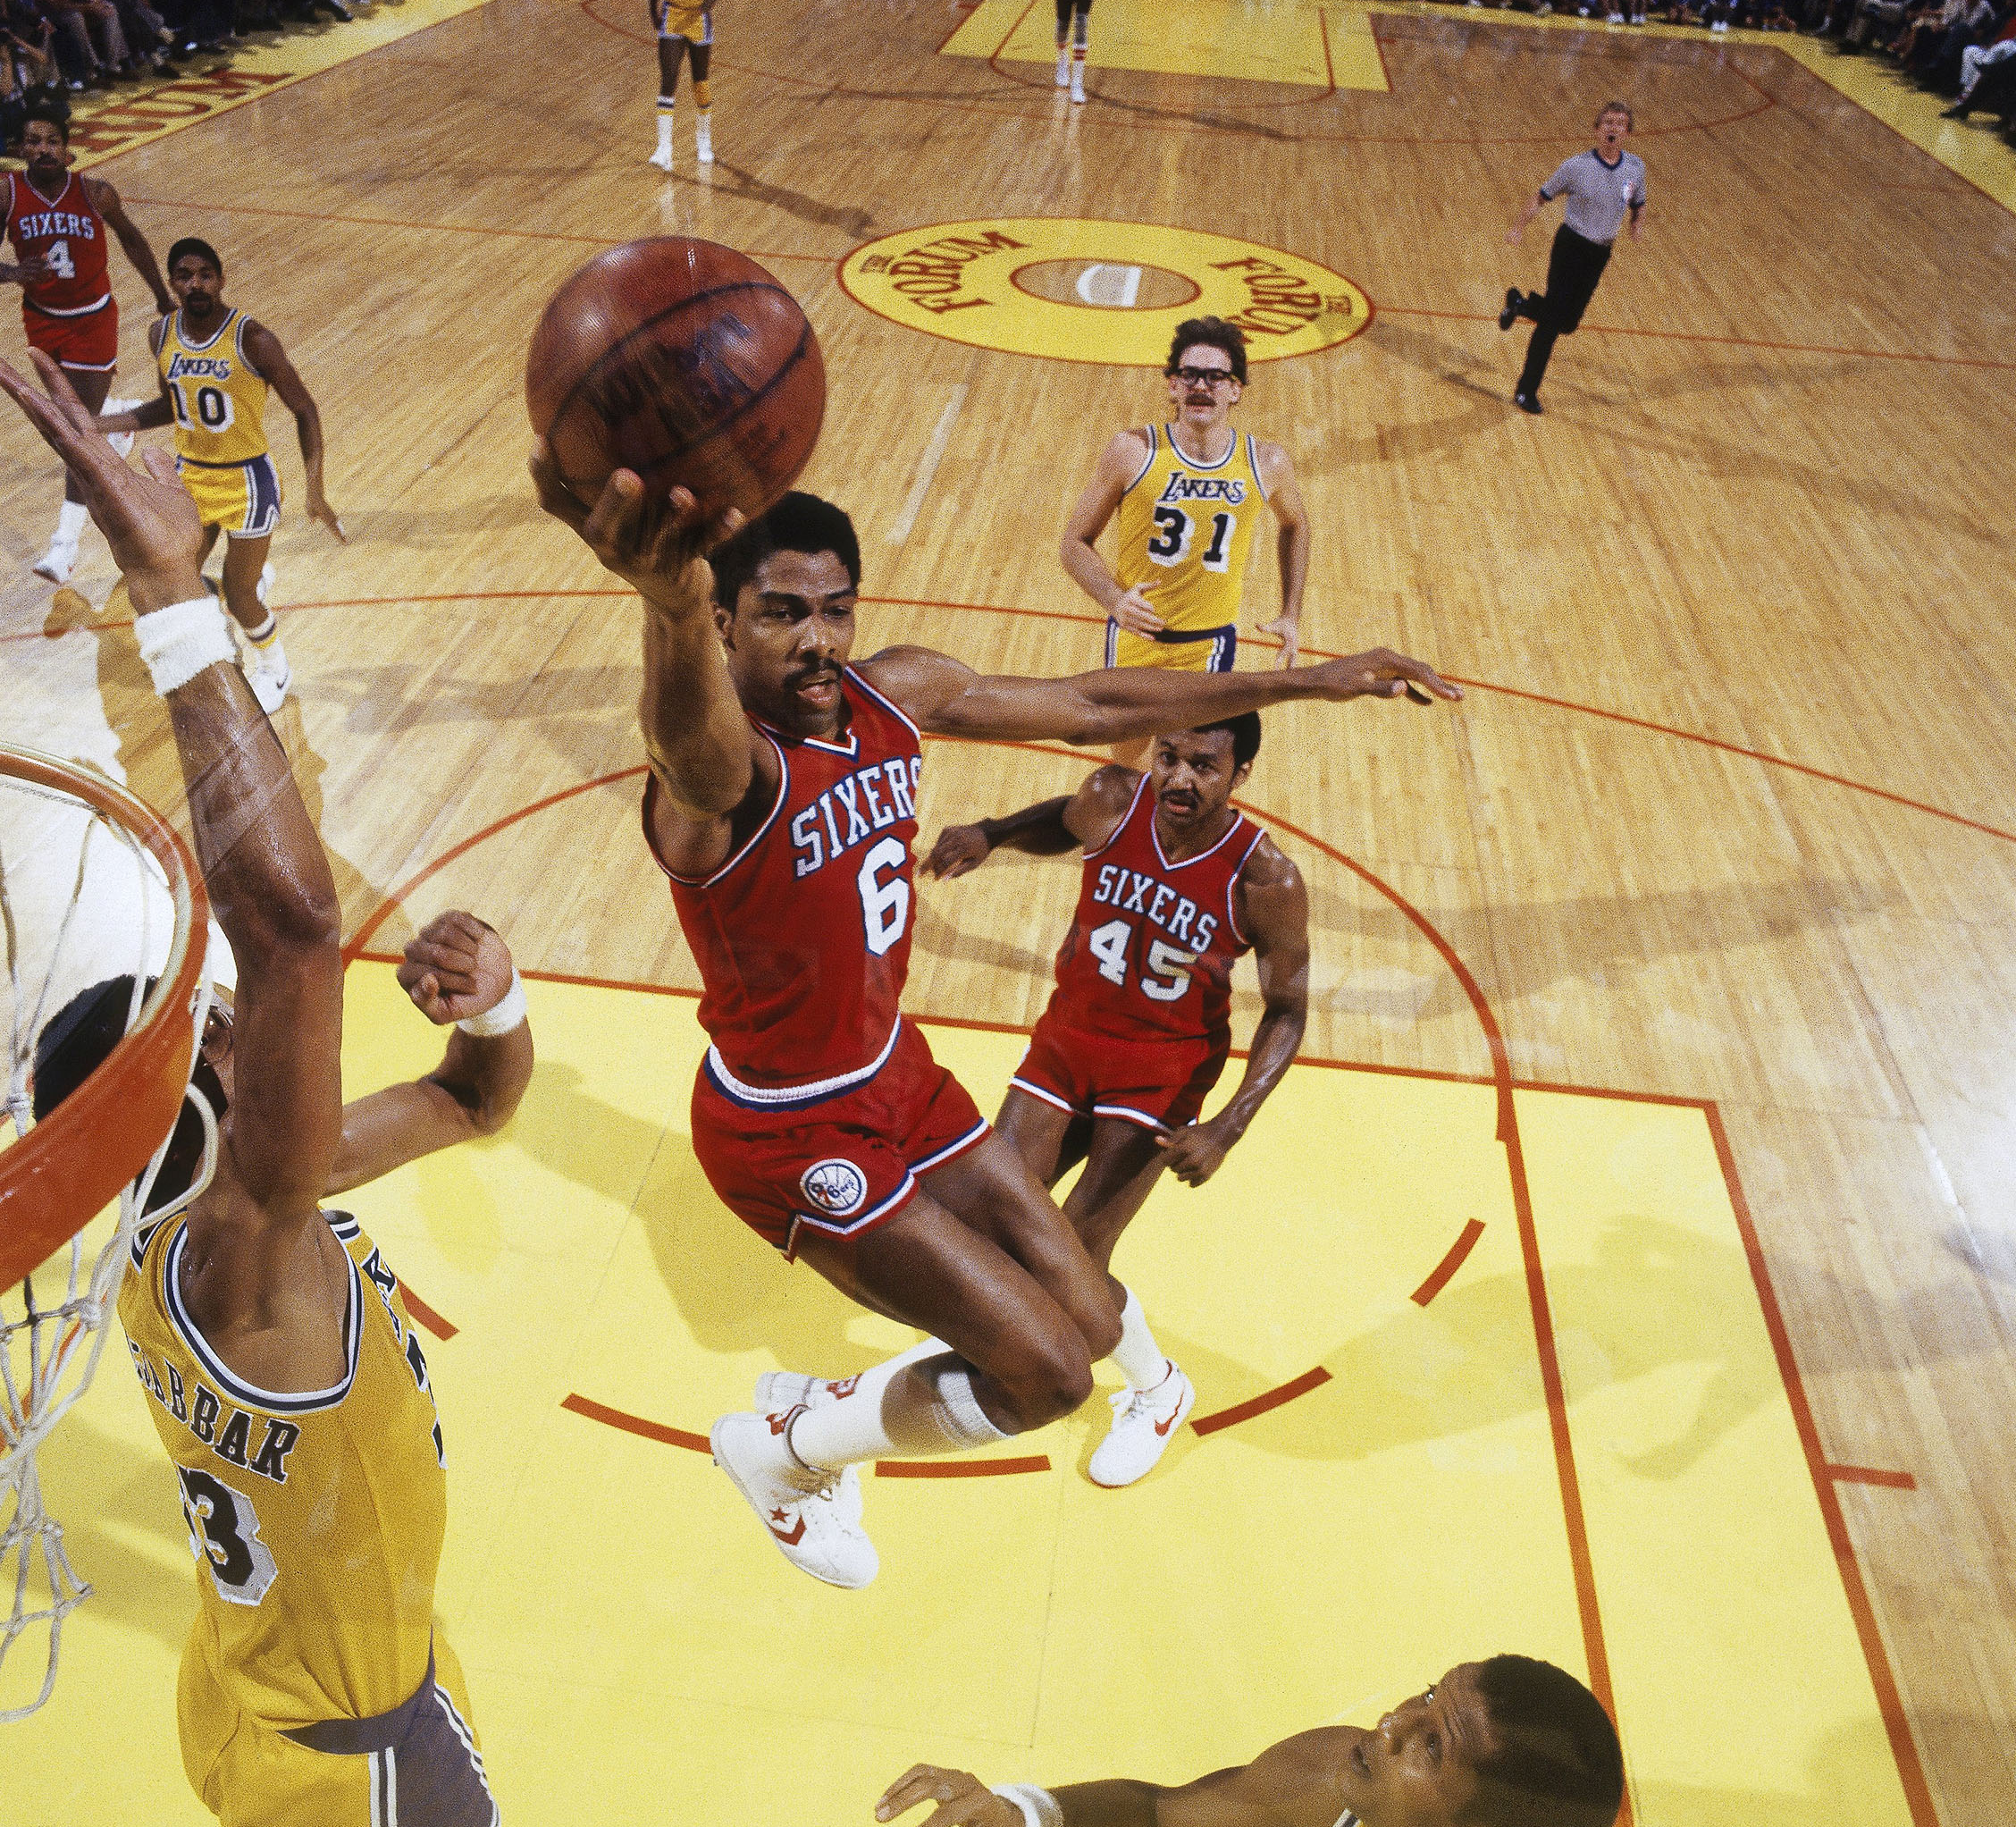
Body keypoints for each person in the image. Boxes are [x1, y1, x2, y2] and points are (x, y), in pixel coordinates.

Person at [529, 460, 1455, 1592]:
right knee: (1047, 1378)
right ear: (724, 623)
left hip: (895, 1073)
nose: (816, 640)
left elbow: (1096, 705)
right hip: (788, 1131)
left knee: (1088, 1313)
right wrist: (665, 607)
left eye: (834, 610)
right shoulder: (720, 784)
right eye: (779, 614)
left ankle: (832, 1418)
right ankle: (785, 1456)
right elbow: (691, 748)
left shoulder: (896, 693)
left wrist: (1315, 684)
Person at [6, 347, 532, 1827]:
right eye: (216, 1029)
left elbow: (466, 1102)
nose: (239, 1020)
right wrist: (178, 597)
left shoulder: (225, 1233)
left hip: (252, 1697)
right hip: (352, 1743)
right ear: (202, 1089)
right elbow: (296, 930)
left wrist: (496, 1007)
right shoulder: (255, 1243)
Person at [926, 711, 1308, 1486]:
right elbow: (1060, 822)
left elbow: (1288, 1008)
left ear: (1240, 777)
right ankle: (995, 1356)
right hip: (1068, 1039)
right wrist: (994, 832)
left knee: (1077, 1262)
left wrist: (1229, 1125)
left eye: (1204, 765)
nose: (1179, 778)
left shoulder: (1265, 876)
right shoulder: (1110, 796)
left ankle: (1158, 1390)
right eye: (1169, 757)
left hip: (1160, 1071)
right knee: (991, 1220)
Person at [876, 1656, 1623, 1827]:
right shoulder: (1332, 1780)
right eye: (1424, 1696)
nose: (1392, 1720)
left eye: (1431, 1744)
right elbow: (1155, 1821)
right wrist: (1021, 1816)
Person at [101, 236, 343, 714]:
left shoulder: (253, 339)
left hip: (245, 481)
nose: (195, 284)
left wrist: (316, 488)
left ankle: (275, 668)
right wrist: (106, 423)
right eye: (184, 276)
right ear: (171, 283)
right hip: (191, 475)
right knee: (180, 579)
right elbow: (174, 405)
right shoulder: (161, 334)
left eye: (205, 275)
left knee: (238, 595)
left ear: (221, 279)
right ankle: (248, 583)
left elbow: (305, 409)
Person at [1060, 314, 1311, 765]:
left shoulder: (1266, 462)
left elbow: (1296, 525)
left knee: (1188, 772)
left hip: (1209, 647)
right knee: (1124, 771)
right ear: (1173, 385)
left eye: (1216, 376)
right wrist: (1114, 600)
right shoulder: (1133, 451)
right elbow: (1074, 543)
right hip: (1139, 639)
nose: (1202, 386)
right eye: (1191, 374)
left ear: (1236, 390)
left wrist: (1290, 613)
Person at [0, 105, 169, 585]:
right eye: (32, 142)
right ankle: (117, 417)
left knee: (74, 431)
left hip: (93, 321)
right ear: (18, 149)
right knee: (74, 416)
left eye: (51, 140)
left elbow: (134, 241)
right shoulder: (7, 194)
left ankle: (64, 544)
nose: (43, 150)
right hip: (42, 320)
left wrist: (161, 296)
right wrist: (12, 273)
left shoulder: (95, 193)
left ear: (68, 146)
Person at [1499, 100, 1645, 416]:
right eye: (1607, 122)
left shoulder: (1635, 168)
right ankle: (1526, 391)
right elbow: (1541, 197)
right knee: (1551, 324)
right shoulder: (1575, 167)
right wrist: (1518, 228)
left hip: (1600, 253)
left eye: (1619, 123)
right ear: (1596, 130)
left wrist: (1637, 223)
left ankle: (1521, 305)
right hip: (1571, 247)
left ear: (1628, 132)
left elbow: (1638, 201)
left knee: (1568, 323)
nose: (1613, 128)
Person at [647, 0, 727, 168]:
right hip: (671, 14)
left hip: (698, 17)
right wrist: (652, 9)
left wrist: (711, 0)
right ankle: (664, 148)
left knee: (700, 82)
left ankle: (704, 142)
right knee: (668, 78)